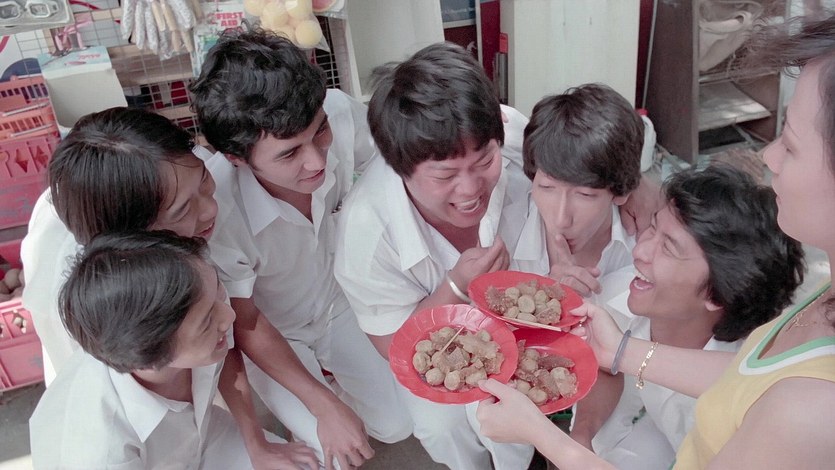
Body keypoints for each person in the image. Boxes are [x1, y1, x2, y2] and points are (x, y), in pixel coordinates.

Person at [477, 14, 835, 469]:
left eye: (792, 143)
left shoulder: (809, 414)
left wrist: (544, 437)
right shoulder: (821, 305)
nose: (769, 155)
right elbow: (748, 375)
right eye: (653, 231)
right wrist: (618, 354)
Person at [22, 107, 315, 468]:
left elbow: (223, 342)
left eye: (204, 181)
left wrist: (256, 442)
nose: (210, 210)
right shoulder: (107, 328)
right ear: (136, 241)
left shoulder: (175, 176)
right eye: (181, 211)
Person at [188, 29, 412, 469]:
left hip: (341, 301)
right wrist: (322, 407)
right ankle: (314, 399)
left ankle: (335, 388)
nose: (317, 160)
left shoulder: (341, 112)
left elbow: (386, 171)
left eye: (319, 131)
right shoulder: (218, 213)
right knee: (334, 455)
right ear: (237, 158)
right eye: (289, 154)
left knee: (398, 425)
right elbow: (247, 319)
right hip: (274, 332)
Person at [332, 41, 535, 470]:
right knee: (442, 427)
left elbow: (581, 158)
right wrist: (456, 287)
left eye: (485, 161)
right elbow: (396, 345)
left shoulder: (508, 132)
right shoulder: (367, 232)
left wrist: (636, 189)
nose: (471, 189)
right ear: (400, 167)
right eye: (445, 175)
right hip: (434, 347)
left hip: (525, 323)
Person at [570, 165, 804, 469]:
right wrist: (582, 432)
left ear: (716, 295)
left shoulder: (751, 404)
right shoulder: (622, 294)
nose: (640, 251)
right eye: (653, 227)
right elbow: (607, 366)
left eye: (669, 248)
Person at [29, 231, 316, 469]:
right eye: (206, 322)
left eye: (218, 291)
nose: (229, 316)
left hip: (204, 441)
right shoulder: (99, 450)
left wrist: (257, 446)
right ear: (149, 357)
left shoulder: (196, 312)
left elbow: (228, 355)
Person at [514, 83, 644, 307]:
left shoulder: (645, 252)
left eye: (585, 194)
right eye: (546, 187)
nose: (561, 219)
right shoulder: (501, 230)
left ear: (621, 192)